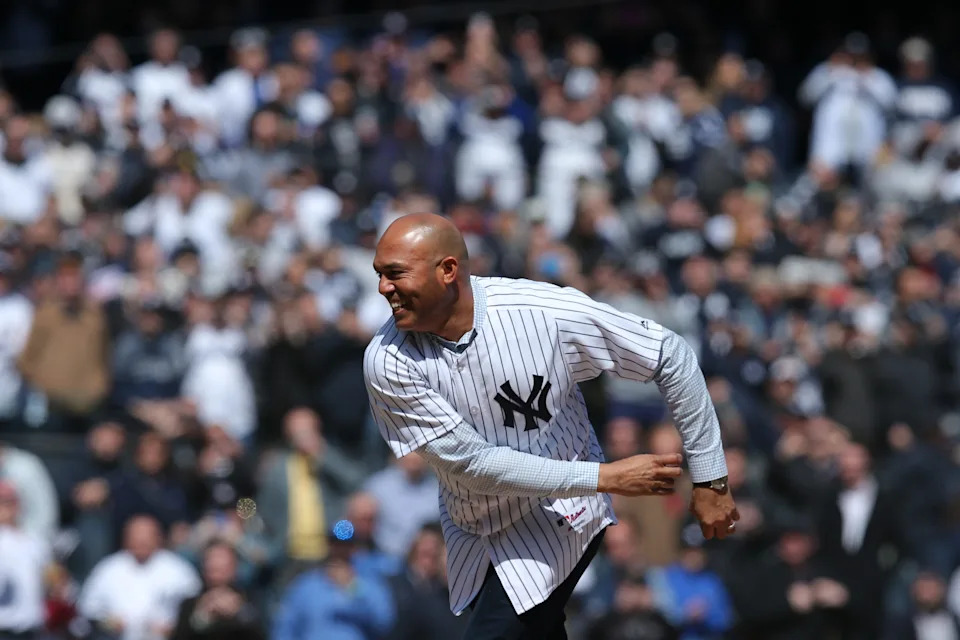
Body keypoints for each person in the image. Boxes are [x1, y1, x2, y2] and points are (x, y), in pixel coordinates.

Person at [363, 213, 738, 639]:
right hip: (474, 523)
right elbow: (474, 466)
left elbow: (670, 355)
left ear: (448, 270)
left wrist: (710, 477)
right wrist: (608, 477)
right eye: (380, 275)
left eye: (395, 274)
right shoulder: (386, 360)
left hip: (563, 513)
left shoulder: (542, 313)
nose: (383, 288)